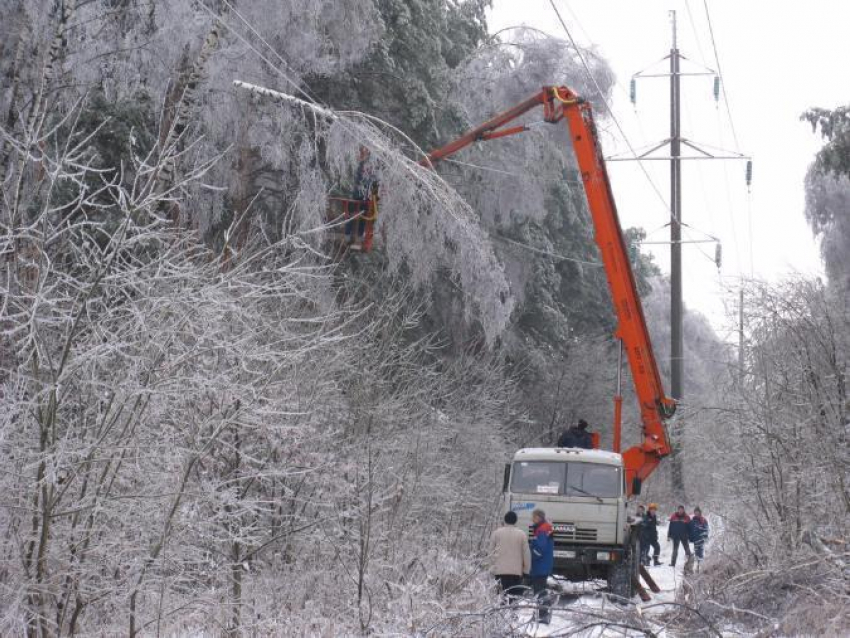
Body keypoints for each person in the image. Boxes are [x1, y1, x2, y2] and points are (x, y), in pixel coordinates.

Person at [488, 511, 531, 603]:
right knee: (514, 601)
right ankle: (512, 616)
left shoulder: (496, 533)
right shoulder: (522, 534)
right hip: (516, 573)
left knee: (501, 599)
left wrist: (492, 567)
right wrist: (526, 571)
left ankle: (501, 617)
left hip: (499, 572)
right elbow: (526, 554)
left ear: (505, 520)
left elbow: (491, 552)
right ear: (515, 521)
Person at [529, 509, 554, 625]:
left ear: (538, 517)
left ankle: (543, 615)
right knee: (541, 589)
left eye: (533, 517)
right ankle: (543, 613)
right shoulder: (544, 528)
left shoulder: (542, 529)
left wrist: (531, 557)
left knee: (540, 591)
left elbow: (540, 548)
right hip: (543, 564)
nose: (532, 519)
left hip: (540, 565)